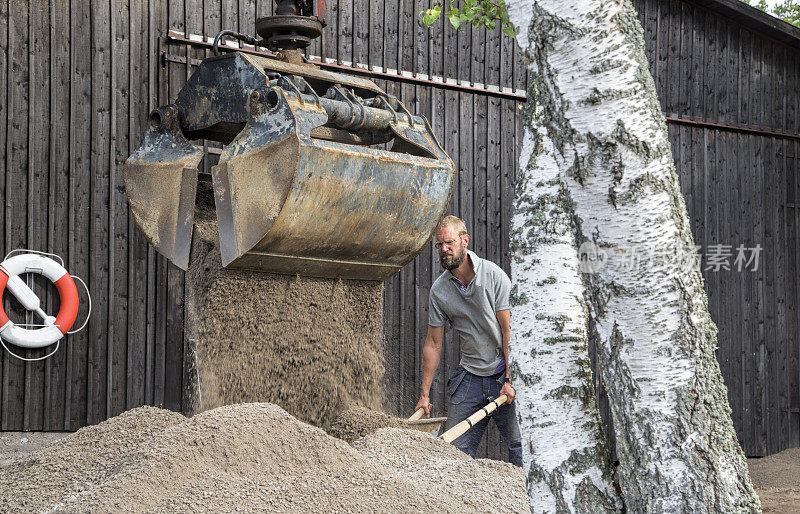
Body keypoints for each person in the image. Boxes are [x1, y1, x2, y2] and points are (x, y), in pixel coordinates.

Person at [414, 215, 522, 467]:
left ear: (465, 241)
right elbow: (433, 343)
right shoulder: (440, 291)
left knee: (520, 445)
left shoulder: (494, 276)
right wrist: (424, 394)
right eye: (439, 245)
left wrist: (509, 379)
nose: (444, 249)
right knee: (452, 451)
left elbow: (509, 332)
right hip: (470, 377)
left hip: (502, 375)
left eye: (449, 243)